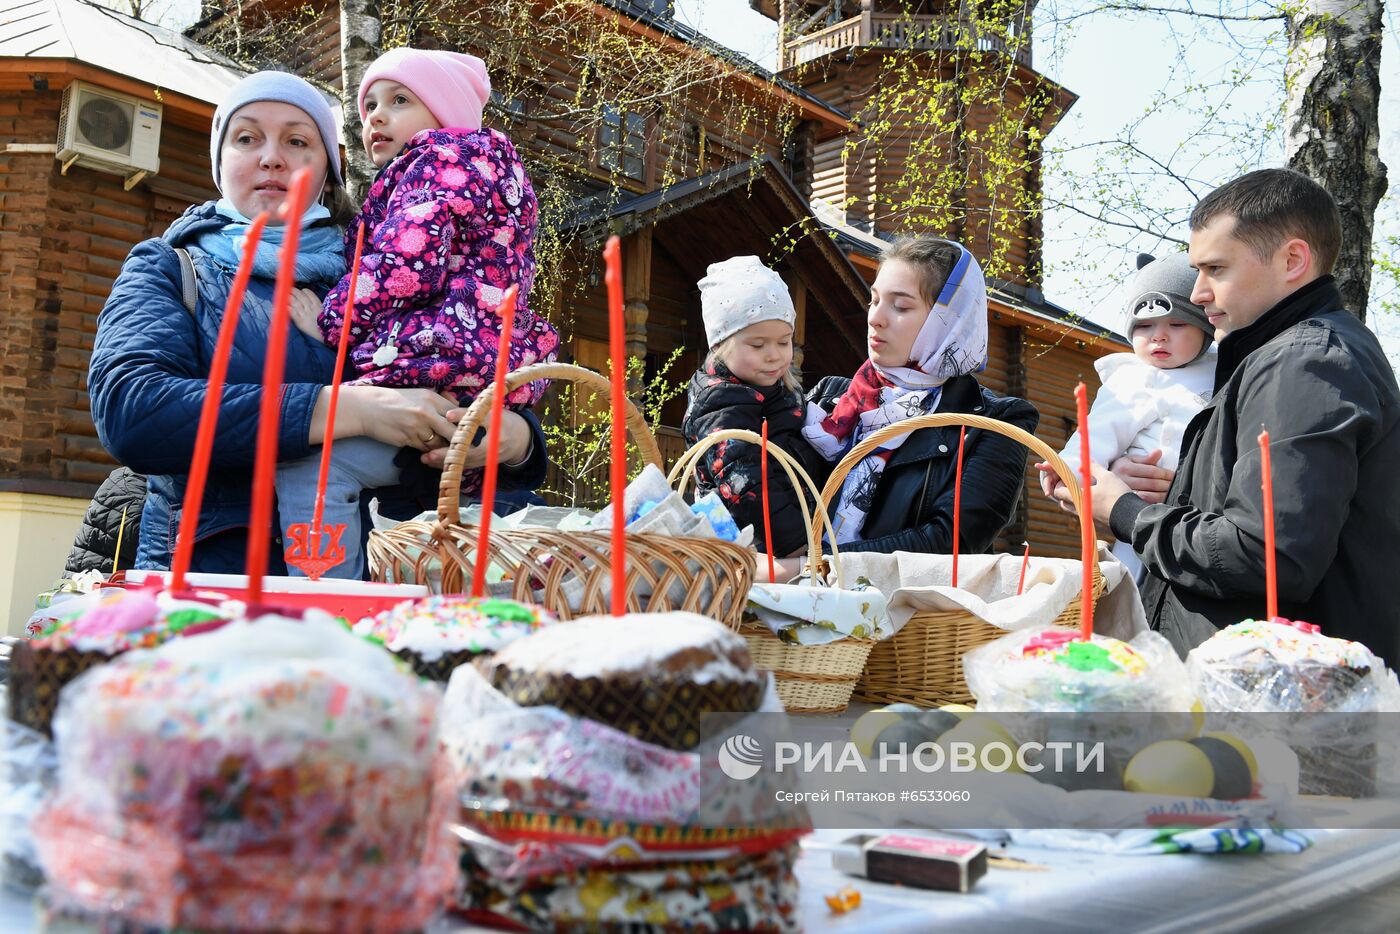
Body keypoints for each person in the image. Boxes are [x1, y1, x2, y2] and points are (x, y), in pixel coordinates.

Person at [87, 71, 547, 576]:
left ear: (327, 166)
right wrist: (345, 410)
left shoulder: (392, 267)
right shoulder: (172, 267)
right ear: (221, 161)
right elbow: (131, 410)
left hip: (407, 579)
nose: (271, 157)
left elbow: (465, 362)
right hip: (220, 584)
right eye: (247, 138)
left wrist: (518, 439)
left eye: (297, 141)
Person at [1065, 169, 1400, 663]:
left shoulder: (1303, 362)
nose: (1199, 292)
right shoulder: (1280, 358)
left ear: (1292, 260)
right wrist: (1166, 488)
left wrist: (1125, 512)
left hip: (1285, 701)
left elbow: (1264, 555)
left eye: (1215, 269)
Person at [278, 48, 559, 578]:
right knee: (451, 507)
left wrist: (331, 319)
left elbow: (406, 262)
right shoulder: (489, 175)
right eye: (369, 107)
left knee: (317, 470)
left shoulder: (438, 165)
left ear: (446, 114)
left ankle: (330, 600)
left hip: (434, 356)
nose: (377, 116)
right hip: (478, 366)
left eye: (400, 100)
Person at [762, 236, 1037, 578]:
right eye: (873, 300)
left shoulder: (993, 422)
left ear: (948, 321)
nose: (876, 318)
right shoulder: (829, 400)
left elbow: (949, 542)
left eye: (901, 306)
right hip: (795, 605)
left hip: (910, 621)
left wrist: (803, 568)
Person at [1038, 251, 1216, 578]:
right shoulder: (1134, 380)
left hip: (1206, 523)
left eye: (1177, 324)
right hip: (1143, 518)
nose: (1158, 336)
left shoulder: (1223, 367)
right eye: (1144, 326)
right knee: (1134, 596)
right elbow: (1096, 437)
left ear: (1205, 328)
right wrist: (1066, 470)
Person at [681, 256, 821, 558]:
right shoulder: (719, 404)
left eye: (784, 342)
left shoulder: (777, 391)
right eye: (758, 345)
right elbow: (747, 483)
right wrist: (799, 544)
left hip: (789, 536)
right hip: (749, 546)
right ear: (720, 344)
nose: (774, 355)